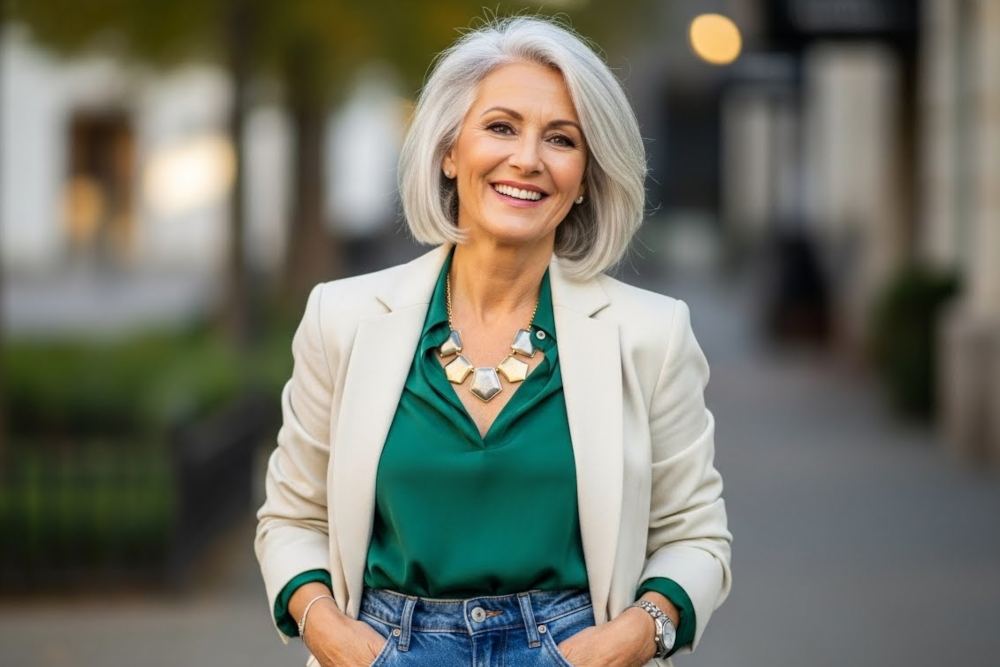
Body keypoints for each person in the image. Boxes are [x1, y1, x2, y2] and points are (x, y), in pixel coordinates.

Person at [255, 16, 731, 667]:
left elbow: (696, 535)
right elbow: (290, 518)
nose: (528, 158)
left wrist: (637, 632)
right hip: (383, 648)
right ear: (450, 151)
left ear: (586, 174)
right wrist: (328, 631)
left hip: (573, 648)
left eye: (561, 138)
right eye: (501, 127)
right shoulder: (342, 316)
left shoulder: (652, 333)